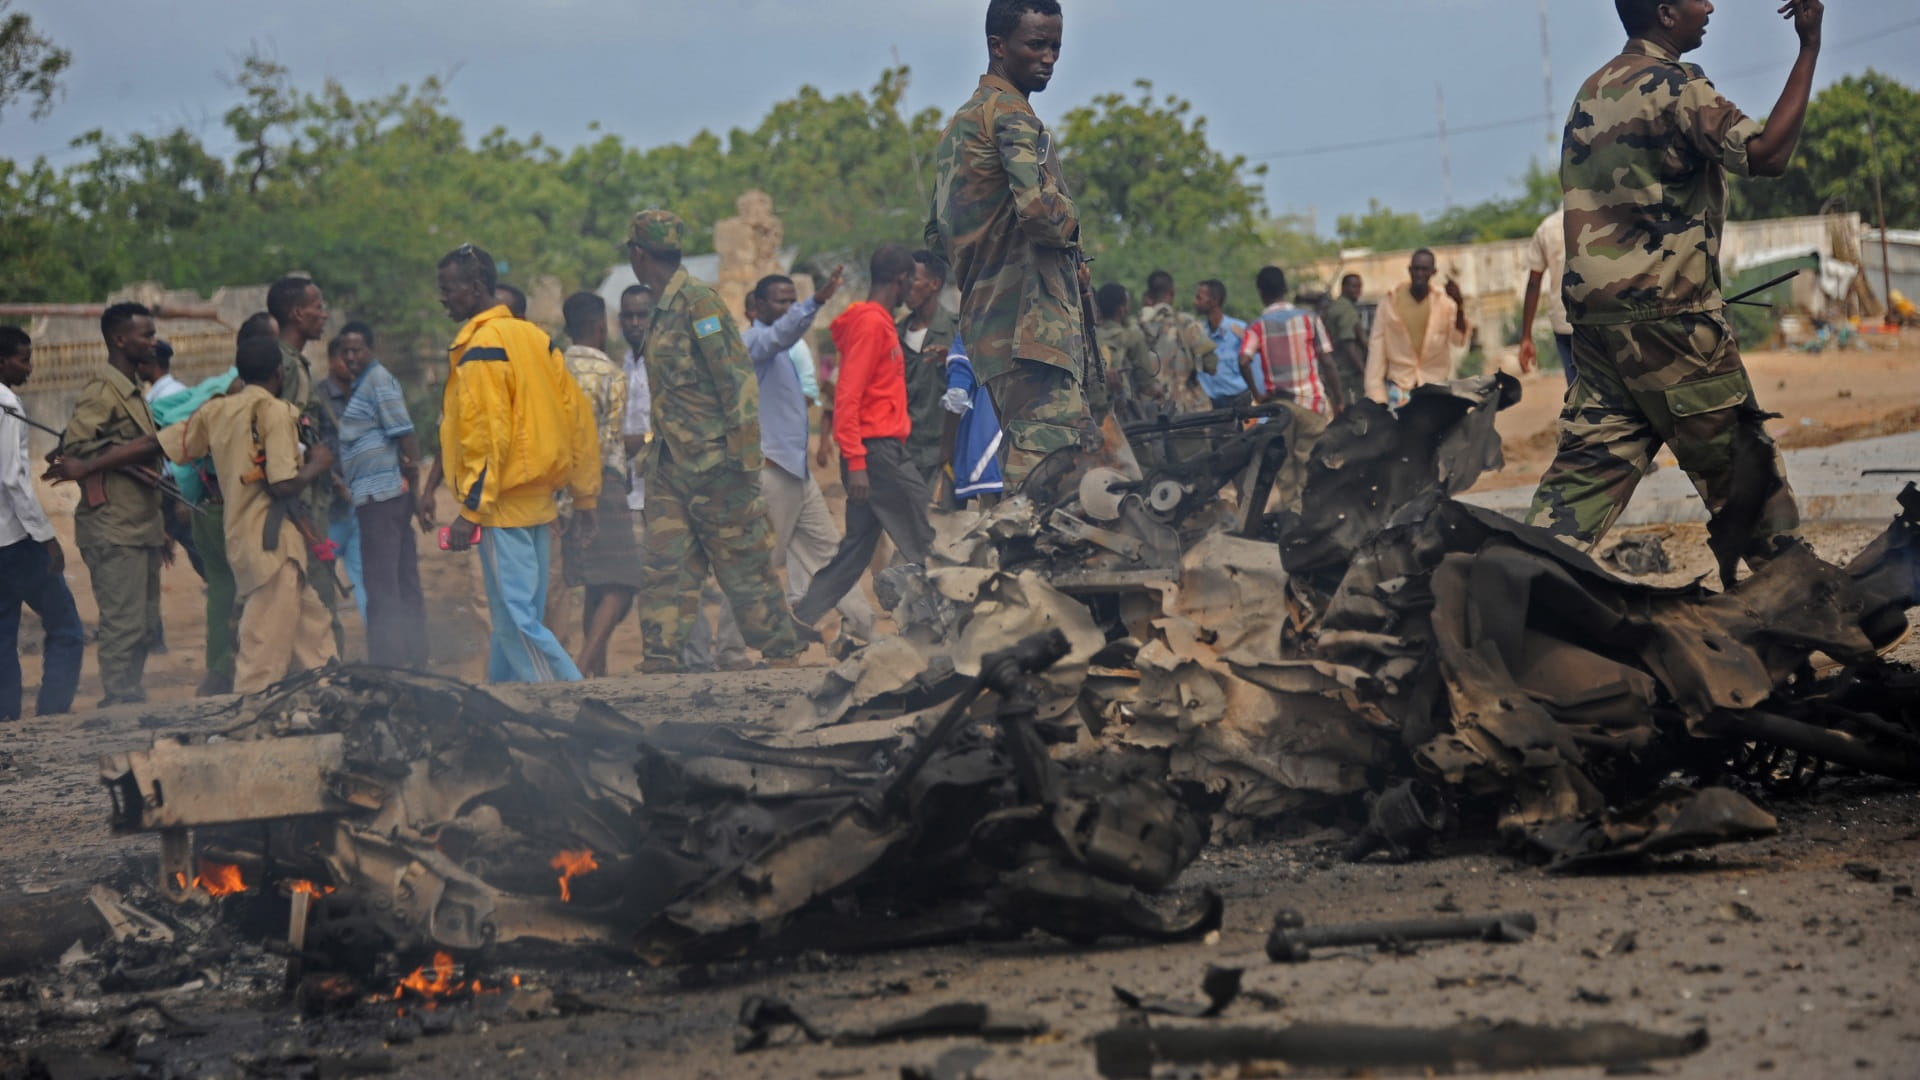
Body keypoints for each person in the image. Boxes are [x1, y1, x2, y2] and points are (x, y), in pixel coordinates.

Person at [1527, 0, 1822, 566]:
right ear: (1665, 13)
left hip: (1598, 329)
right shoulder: (1676, 87)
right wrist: (1809, 46)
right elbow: (1768, 154)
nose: (1708, 6)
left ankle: (1512, 590)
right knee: (1750, 489)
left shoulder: (1591, 91)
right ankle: (1799, 596)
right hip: (1670, 325)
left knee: (1576, 491)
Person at [624, 210, 808, 672]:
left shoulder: (698, 303)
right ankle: (661, 657)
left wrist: (743, 466)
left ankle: (781, 653)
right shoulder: (659, 309)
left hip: (717, 467)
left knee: (743, 562)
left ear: (638, 254)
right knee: (664, 564)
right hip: (670, 465)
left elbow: (736, 381)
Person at [927, 0, 1096, 486]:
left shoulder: (959, 125)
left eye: (1056, 46)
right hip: (1033, 330)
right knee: (1051, 480)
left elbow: (937, 235)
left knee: (1040, 465)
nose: (1049, 58)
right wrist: (1073, 228)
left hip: (990, 329)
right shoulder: (1012, 115)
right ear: (997, 46)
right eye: (1036, 44)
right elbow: (1040, 213)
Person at [436, 243, 601, 683]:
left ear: (475, 289)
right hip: (538, 503)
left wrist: (471, 510)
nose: (443, 298)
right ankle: (502, 697)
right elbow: (578, 419)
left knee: (518, 622)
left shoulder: (482, 347)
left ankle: (568, 697)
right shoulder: (537, 340)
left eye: (448, 289)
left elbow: (486, 434)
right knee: (515, 618)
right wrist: (584, 496)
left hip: (502, 506)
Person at [156, 336, 339, 694]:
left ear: (239, 374)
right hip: (273, 546)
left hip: (246, 538)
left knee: (313, 631)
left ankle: (330, 695)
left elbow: (163, 442)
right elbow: (283, 483)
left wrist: (90, 463)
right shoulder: (276, 411)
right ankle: (250, 713)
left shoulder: (216, 411)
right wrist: (317, 464)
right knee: (262, 651)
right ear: (279, 372)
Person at [793, 246, 938, 629]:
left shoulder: (878, 323)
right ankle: (942, 627)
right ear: (901, 280)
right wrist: (856, 461)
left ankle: (801, 622)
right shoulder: (871, 324)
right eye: (912, 280)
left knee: (855, 551)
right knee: (927, 534)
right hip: (877, 454)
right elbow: (848, 395)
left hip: (877, 451)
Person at [741, 268, 877, 643]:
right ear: (757, 306)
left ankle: (865, 630)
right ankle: (731, 649)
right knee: (758, 565)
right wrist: (814, 301)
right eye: (780, 302)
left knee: (830, 555)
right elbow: (780, 334)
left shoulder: (784, 349)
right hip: (773, 472)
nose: (788, 309)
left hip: (796, 473)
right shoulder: (752, 343)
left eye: (792, 301)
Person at [57, 302, 166, 706]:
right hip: (114, 528)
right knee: (124, 626)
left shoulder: (132, 391)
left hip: (141, 524)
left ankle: (129, 697)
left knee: (145, 625)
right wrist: (133, 451)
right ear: (120, 339)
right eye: (146, 335)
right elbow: (75, 452)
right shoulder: (103, 391)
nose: (153, 342)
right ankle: (119, 704)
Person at [557, 291, 645, 678]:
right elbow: (609, 441)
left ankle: (599, 670)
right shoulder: (611, 374)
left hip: (558, 484)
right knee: (623, 580)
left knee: (596, 581)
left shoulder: (553, 367)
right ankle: (584, 663)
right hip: (601, 483)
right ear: (600, 327)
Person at [335, 322, 429, 671]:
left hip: (382, 498)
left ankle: (387, 662)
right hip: (381, 497)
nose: (350, 356)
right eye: (345, 351)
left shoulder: (377, 380)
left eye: (357, 349)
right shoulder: (364, 383)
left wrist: (416, 491)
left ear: (370, 349)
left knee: (380, 583)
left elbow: (406, 434)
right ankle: (413, 655)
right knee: (400, 578)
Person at [0, 327, 83, 723]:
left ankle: (6, 722)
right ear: (2, 362)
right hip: (15, 542)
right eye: (23, 360)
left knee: (3, 635)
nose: (30, 368)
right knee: (65, 625)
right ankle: (51, 714)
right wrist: (47, 537)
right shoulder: (6, 403)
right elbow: (13, 479)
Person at [266, 275, 346, 650]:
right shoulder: (286, 366)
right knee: (317, 589)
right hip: (300, 499)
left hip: (307, 493)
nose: (324, 314)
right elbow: (282, 432)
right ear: (298, 314)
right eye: (317, 307)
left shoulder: (292, 362)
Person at [1363, 249, 1471, 406]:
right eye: (1416, 269)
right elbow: (1376, 348)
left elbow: (1458, 341)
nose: (1419, 274)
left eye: (1424, 269)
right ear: (1409, 270)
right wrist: (1375, 394)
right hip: (1400, 386)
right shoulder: (1389, 304)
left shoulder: (1445, 303)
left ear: (1433, 272)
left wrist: (1459, 305)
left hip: (1435, 385)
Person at [898, 250, 957, 494]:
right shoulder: (895, 333)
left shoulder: (957, 331)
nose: (906, 285)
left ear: (935, 284)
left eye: (914, 279)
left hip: (945, 454)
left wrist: (953, 360)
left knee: (944, 516)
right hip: (904, 453)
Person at [1238, 267, 1332, 415]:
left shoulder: (1257, 326)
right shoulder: (1310, 318)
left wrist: (1257, 396)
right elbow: (1327, 361)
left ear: (1261, 293)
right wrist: (1339, 400)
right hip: (1312, 405)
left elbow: (1243, 362)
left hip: (1280, 409)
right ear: (1285, 288)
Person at [317, 335, 366, 620]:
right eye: (343, 356)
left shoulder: (362, 394)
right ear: (331, 361)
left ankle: (378, 638)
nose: (350, 361)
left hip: (361, 503)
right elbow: (311, 448)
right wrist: (337, 484)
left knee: (365, 577)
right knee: (320, 582)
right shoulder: (317, 399)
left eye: (355, 355)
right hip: (329, 507)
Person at [1137, 270, 1215, 414]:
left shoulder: (1137, 327)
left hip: (1150, 411)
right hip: (1186, 408)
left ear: (1149, 295)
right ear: (1172, 293)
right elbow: (1211, 365)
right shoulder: (1187, 323)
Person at [1519, 207, 1575, 386]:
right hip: (1601, 320)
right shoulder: (1602, 215)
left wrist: (1526, 336)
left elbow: (1533, 282)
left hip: (1564, 321)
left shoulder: (1547, 227)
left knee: (1575, 386)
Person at [1093, 284, 1157, 416]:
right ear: (1122, 310)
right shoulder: (1132, 337)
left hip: (1091, 409)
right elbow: (1147, 385)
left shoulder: (1091, 337)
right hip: (1122, 409)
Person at [1193, 279, 1251, 408]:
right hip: (1209, 404)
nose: (1195, 302)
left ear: (1214, 301)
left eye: (1199, 298)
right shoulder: (1199, 332)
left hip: (1238, 402)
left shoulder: (1239, 331)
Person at [1320, 274, 1367, 412]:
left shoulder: (1336, 307)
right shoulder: (1346, 310)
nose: (1357, 291)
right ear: (1344, 287)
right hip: (1348, 375)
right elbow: (1348, 344)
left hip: (1336, 372)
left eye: (1359, 287)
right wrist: (1364, 371)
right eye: (1353, 286)